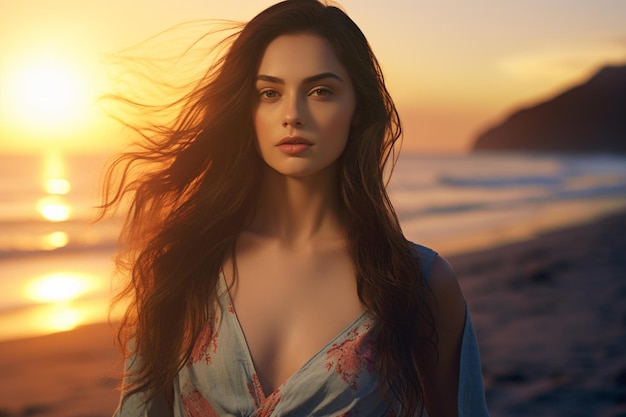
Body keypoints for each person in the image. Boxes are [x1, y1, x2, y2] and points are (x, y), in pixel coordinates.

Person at [103, 0, 490, 416]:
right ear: (246, 110)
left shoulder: (420, 282)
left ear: (358, 109)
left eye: (320, 91)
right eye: (269, 93)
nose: (292, 114)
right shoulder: (181, 268)